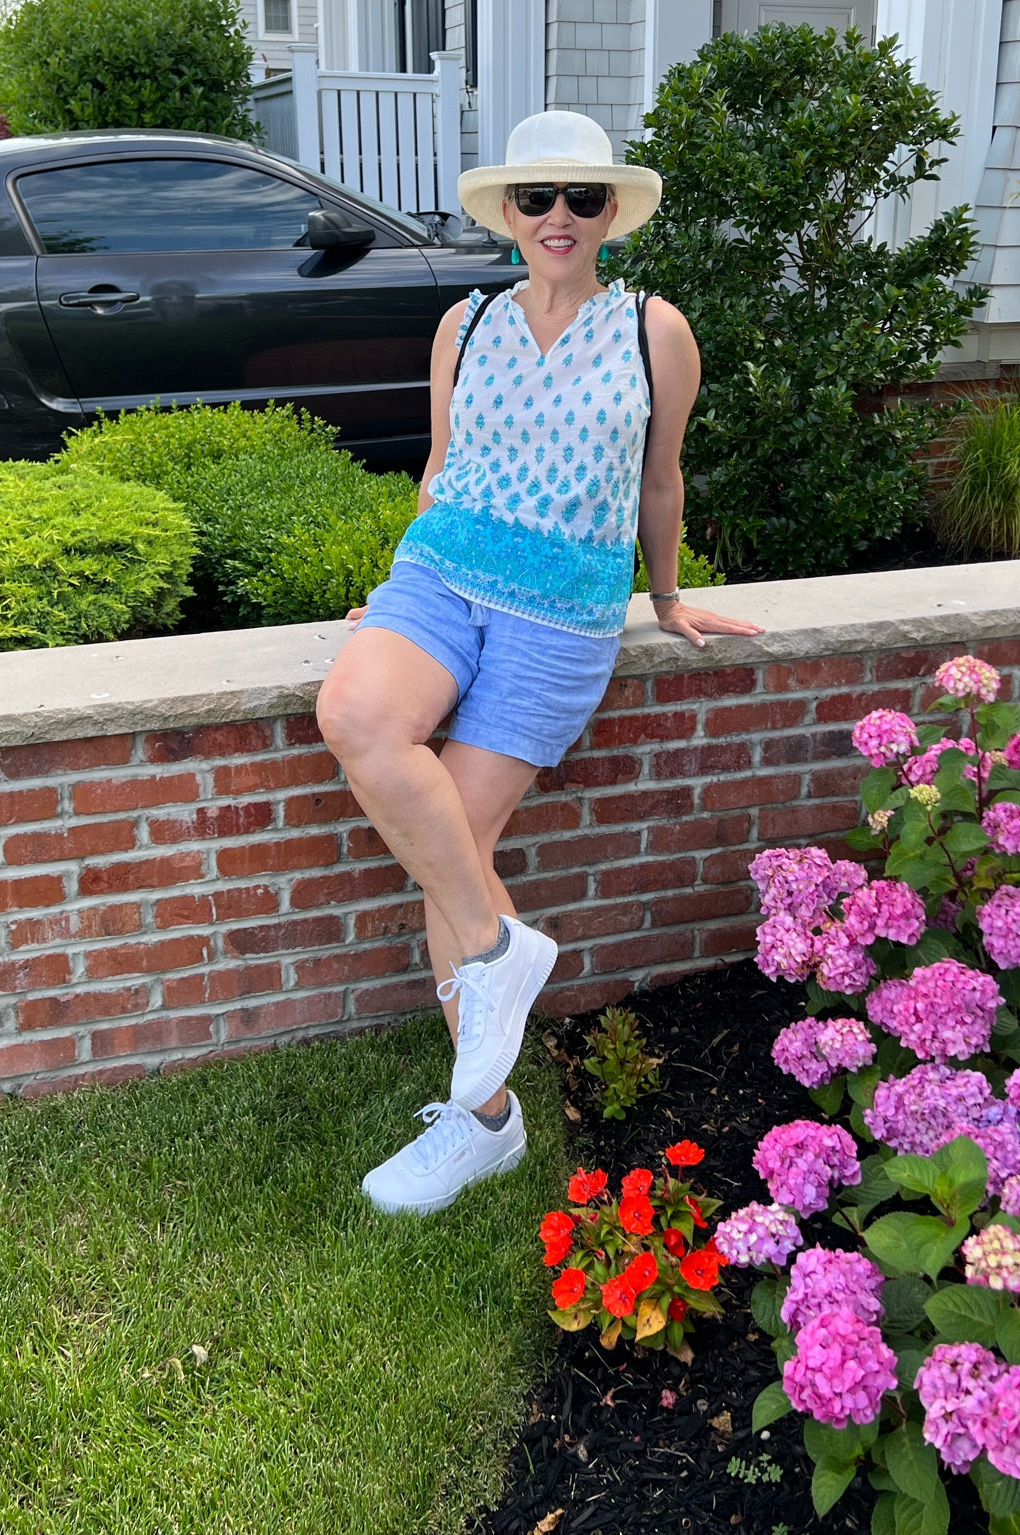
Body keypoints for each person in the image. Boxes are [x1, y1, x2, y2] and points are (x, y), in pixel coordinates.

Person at [315, 109, 761, 1214]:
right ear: (506, 213)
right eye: (537, 198)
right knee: (359, 712)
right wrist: (395, 583)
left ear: (612, 213)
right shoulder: (462, 325)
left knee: (455, 837)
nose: (558, 217)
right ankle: (499, 948)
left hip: (562, 610)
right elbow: (439, 467)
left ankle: (483, 1123)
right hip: (442, 571)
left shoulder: (656, 329)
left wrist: (662, 594)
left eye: (583, 197)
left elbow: (661, 480)